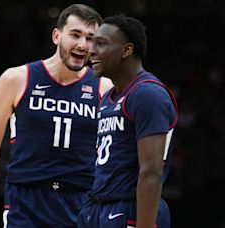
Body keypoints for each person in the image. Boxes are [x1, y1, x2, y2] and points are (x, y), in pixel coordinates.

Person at [0, 4, 113, 228]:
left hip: (80, 203)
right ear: (57, 36)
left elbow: (115, 156)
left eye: (90, 38)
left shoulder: (104, 88)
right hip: (26, 203)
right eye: (75, 35)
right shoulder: (17, 79)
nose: (82, 44)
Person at [77, 14, 178, 228]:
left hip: (130, 211)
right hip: (98, 208)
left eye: (101, 44)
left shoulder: (147, 94)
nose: (91, 51)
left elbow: (151, 173)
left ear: (126, 50)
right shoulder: (107, 97)